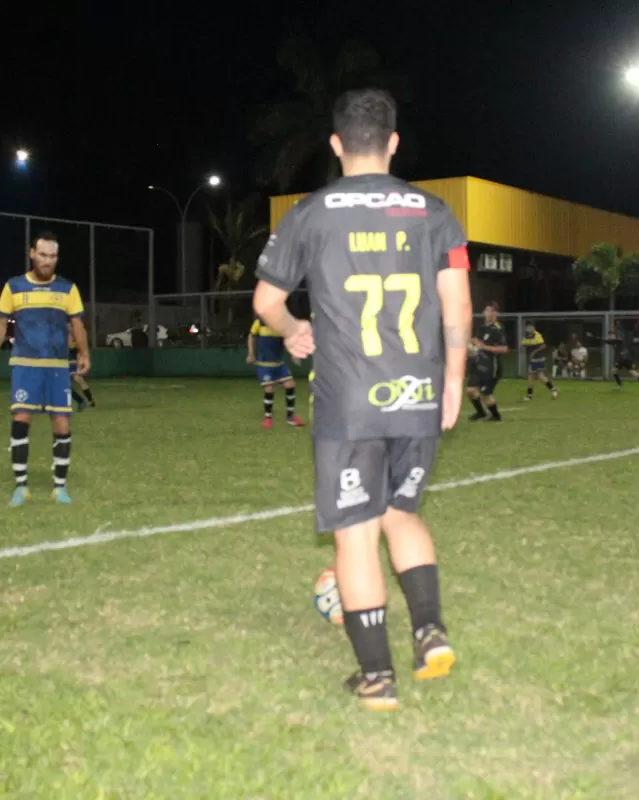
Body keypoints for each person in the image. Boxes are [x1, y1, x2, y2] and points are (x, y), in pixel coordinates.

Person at [252, 88, 471, 711]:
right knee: (401, 513)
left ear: (335, 144)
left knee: (355, 534)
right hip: (418, 391)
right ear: (394, 142)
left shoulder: (311, 213)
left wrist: (293, 329)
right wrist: (454, 379)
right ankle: (430, 633)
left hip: (350, 400)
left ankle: (377, 676)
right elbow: (457, 305)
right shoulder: (435, 213)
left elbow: (266, 302)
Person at [0, 231, 90, 505]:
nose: (47, 261)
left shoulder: (67, 289)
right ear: (32, 254)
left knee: (62, 422)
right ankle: (21, 487)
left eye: (52, 256)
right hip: (25, 365)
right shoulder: (14, 286)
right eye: (42, 255)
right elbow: (0, 325)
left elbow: (77, 324)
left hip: (57, 366)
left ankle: (60, 488)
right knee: (21, 419)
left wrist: (83, 352)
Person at [247, 316, 304, 428]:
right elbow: (251, 336)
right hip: (264, 364)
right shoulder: (259, 323)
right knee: (269, 388)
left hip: (279, 364)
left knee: (290, 385)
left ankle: (290, 417)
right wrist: (251, 353)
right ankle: (268, 418)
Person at [466, 302, 509, 421]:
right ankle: (481, 413)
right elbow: (476, 342)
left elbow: (504, 349)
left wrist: (484, 347)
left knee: (485, 394)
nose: (488, 313)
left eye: (491, 310)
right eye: (486, 310)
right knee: (470, 391)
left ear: (496, 313)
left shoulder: (498, 329)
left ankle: (496, 416)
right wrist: (471, 346)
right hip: (478, 364)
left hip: (492, 366)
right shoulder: (481, 328)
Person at [607, 322, 639, 391]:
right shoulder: (614, 340)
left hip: (623, 357)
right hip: (626, 357)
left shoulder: (618, 338)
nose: (610, 336)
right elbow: (609, 341)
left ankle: (620, 386)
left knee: (614, 371)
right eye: (609, 335)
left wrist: (613, 339)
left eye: (611, 335)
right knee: (632, 372)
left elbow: (618, 341)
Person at [520, 321, 558, 400]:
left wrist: (533, 352)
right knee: (536, 376)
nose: (529, 328)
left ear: (534, 328)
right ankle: (553, 389)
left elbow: (543, 346)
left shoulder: (537, 335)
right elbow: (523, 345)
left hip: (538, 358)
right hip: (532, 360)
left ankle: (530, 395)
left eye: (531, 327)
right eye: (528, 327)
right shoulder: (526, 336)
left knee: (535, 376)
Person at [68, 324, 96, 411]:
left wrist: (81, 360)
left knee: (78, 379)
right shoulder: (61, 334)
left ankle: (89, 400)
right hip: (63, 362)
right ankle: (80, 401)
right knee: (65, 385)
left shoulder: (77, 334)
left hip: (73, 361)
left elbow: (80, 348)